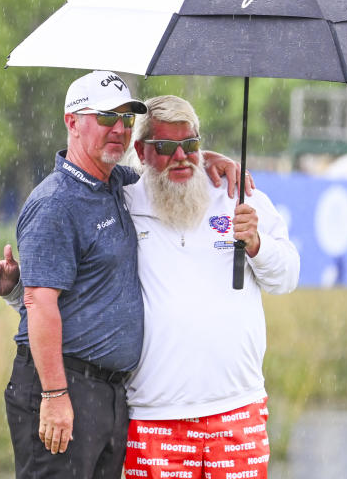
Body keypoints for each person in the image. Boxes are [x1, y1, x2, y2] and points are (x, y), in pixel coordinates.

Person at [0, 71, 245, 479]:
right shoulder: (55, 202)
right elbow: (39, 304)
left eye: (127, 120)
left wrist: (208, 158)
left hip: (111, 393)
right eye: (106, 118)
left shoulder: (119, 183)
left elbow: (167, 164)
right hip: (64, 383)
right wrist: (56, 395)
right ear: (72, 122)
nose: (120, 129)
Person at [123, 95, 299, 478]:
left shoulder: (238, 196)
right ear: (140, 150)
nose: (181, 157)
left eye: (190, 144)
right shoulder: (122, 204)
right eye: (166, 147)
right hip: (155, 415)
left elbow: (287, 277)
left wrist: (257, 245)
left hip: (237, 408)